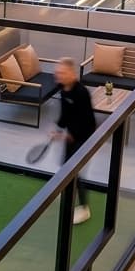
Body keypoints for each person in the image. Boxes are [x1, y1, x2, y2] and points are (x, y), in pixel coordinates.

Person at [51, 56, 97, 225]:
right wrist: (58, 129)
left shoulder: (82, 93)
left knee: (75, 172)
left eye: (61, 73)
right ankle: (71, 198)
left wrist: (71, 136)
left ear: (71, 73)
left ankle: (84, 208)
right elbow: (65, 115)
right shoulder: (63, 90)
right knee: (66, 168)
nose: (58, 76)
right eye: (57, 73)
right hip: (71, 137)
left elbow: (88, 122)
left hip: (85, 138)